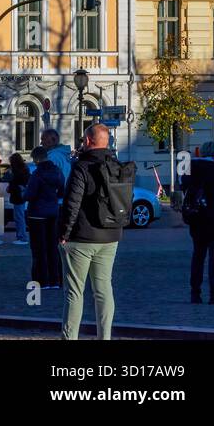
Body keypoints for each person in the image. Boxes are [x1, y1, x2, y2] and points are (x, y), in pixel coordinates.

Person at [58, 123, 133, 340]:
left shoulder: (82, 167)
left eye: (83, 139)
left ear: (88, 141)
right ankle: (105, 337)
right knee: (103, 289)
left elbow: (72, 203)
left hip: (81, 237)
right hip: (110, 235)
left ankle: (70, 337)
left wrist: (64, 232)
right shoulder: (116, 165)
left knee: (74, 292)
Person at [180, 140, 214, 304]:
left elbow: (184, 187)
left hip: (197, 220)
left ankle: (195, 293)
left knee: (198, 257)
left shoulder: (190, 170)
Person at [24, 145, 65, 289]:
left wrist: (24, 192)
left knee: (38, 249)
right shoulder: (58, 172)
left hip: (37, 215)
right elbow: (62, 191)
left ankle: (42, 280)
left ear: (36, 158)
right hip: (53, 213)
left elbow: (30, 195)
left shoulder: (37, 174)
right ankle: (56, 279)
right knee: (53, 247)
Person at [7, 152, 30, 245]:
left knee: (19, 217)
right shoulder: (24, 169)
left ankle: (22, 237)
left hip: (18, 196)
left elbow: (15, 183)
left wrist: (11, 187)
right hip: (20, 196)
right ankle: (21, 236)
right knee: (19, 217)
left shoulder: (17, 171)